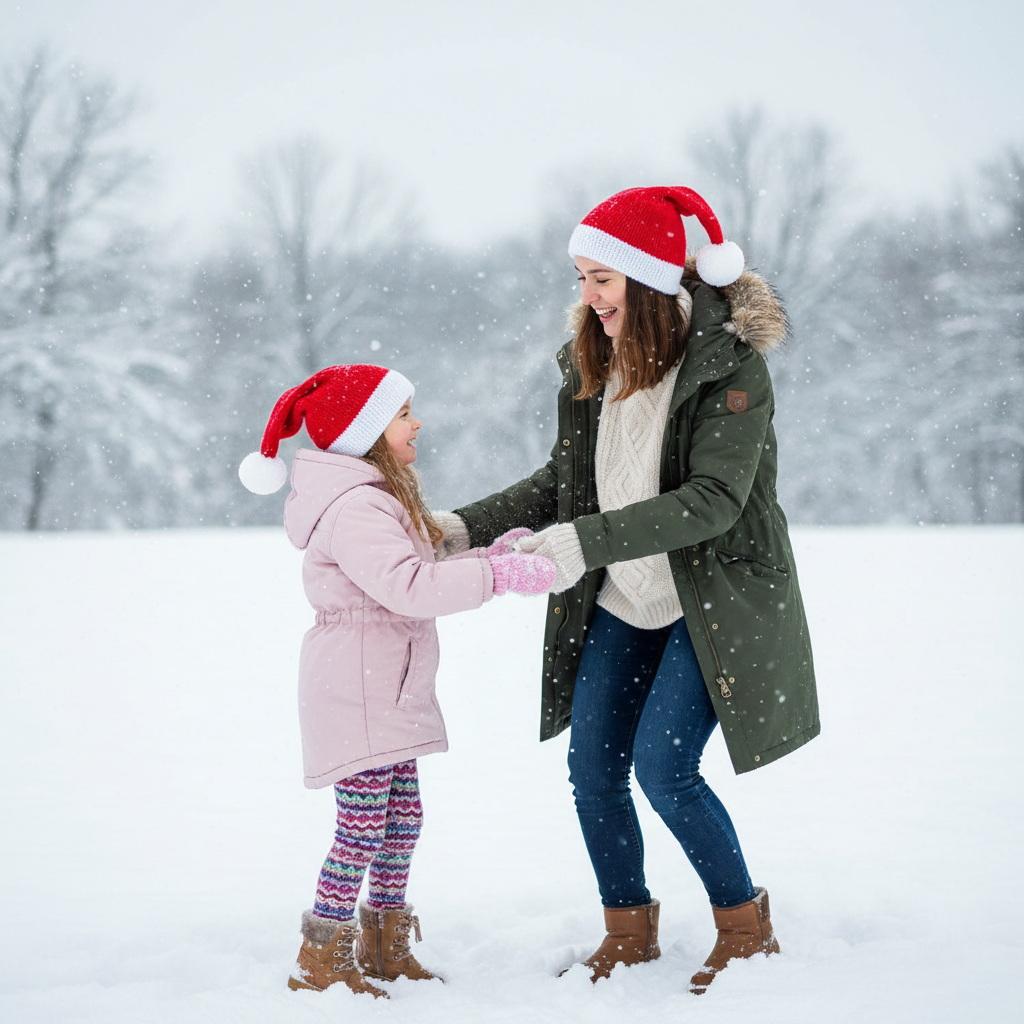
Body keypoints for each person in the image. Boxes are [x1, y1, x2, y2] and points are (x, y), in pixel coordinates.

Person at [433, 186, 820, 995]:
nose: (588, 296)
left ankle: (744, 930)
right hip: (624, 594)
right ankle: (628, 931)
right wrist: (460, 527)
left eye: (601, 278)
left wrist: (582, 543)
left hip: (710, 595)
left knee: (664, 767)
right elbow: (563, 482)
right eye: (581, 277)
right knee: (594, 768)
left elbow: (714, 500)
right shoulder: (595, 365)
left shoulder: (729, 369)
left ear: (649, 280)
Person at [239, 363, 555, 998]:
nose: (418, 424)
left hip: (385, 680)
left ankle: (384, 943)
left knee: (401, 820)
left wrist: (486, 557)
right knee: (362, 825)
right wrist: (497, 579)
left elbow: (413, 567)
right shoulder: (356, 507)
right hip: (358, 686)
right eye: (403, 414)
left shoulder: (375, 496)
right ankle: (322, 955)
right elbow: (409, 587)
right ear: (366, 432)